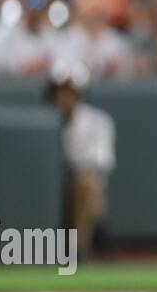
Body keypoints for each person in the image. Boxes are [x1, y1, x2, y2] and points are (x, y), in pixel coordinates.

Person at [45, 73, 116, 263]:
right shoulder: (47, 120)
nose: (64, 99)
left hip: (85, 178)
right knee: (90, 195)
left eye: (69, 93)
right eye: (61, 94)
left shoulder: (97, 120)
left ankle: (79, 250)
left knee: (87, 185)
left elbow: (104, 158)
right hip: (51, 181)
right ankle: (88, 247)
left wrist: (80, 167)